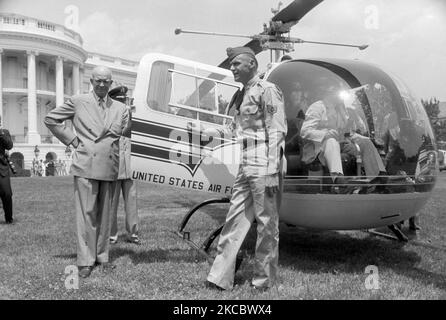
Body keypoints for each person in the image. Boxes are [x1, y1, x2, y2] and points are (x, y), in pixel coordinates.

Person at [193, 46, 287, 290]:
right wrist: (206, 132)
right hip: (246, 159)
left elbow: (276, 130)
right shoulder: (241, 94)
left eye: (236, 64)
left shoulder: (267, 90)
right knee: (234, 218)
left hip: (265, 158)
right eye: (231, 64)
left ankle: (264, 281)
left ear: (252, 65)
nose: (232, 68)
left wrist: (272, 169)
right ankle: (220, 278)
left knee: (267, 223)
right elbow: (233, 130)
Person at [44, 66, 129, 278]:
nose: (102, 84)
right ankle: (85, 260)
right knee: (86, 215)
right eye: (98, 80)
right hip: (85, 165)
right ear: (91, 81)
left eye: (106, 81)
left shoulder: (121, 108)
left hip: (110, 166)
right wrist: (72, 140)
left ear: (111, 83)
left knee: (105, 216)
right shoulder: (78, 101)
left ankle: (102, 256)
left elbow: (126, 134)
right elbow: (51, 119)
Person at [300, 83, 386, 187]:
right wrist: (325, 133)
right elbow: (305, 131)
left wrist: (361, 137)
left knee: (365, 142)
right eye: (337, 94)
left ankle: (378, 176)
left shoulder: (340, 108)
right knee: (331, 141)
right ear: (329, 94)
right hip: (318, 147)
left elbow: (347, 132)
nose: (340, 98)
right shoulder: (317, 107)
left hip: (341, 143)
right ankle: (338, 179)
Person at [107, 86, 140, 245]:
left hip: (130, 167)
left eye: (124, 99)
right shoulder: (108, 115)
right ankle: (111, 235)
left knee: (132, 204)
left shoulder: (132, 117)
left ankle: (133, 234)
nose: (123, 102)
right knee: (111, 205)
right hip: (113, 167)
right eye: (119, 99)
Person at [0, 116, 14, 224]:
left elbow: (9, 146)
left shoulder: (4, 132)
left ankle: (9, 218)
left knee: (7, 193)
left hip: (2, 168)